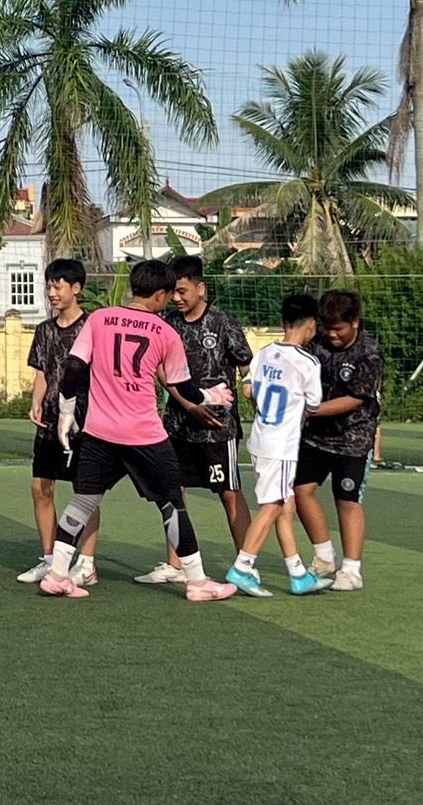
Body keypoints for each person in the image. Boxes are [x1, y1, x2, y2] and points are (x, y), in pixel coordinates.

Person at [36, 259, 235, 602]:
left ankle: (57, 575)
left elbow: (73, 367)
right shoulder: (166, 332)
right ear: (160, 295)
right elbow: (182, 387)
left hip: (99, 432)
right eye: (168, 295)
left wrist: (66, 414)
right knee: (172, 503)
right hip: (145, 434)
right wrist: (211, 395)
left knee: (83, 501)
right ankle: (198, 582)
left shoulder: (99, 319)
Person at [148, 256, 253, 586]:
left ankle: (246, 564)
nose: (176, 298)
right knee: (173, 492)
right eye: (172, 292)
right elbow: (162, 369)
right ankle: (176, 565)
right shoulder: (168, 323)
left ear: (200, 288)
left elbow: (246, 367)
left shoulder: (223, 323)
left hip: (217, 430)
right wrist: (187, 404)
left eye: (182, 291)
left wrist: (251, 391)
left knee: (229, 493)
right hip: (178, 426)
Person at [227, 294, 330, 597]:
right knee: (273, 505)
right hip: (282, 445)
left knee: (286, 504)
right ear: (311, 325)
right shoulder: (308, 363)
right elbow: (313, 404)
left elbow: (249, 388)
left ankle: (297, 573)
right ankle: (243, 567)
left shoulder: (264, 353)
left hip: (261, 438)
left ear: (284, 322)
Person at [293, 290, 382, 591]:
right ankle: (324, 557)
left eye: (338, 328)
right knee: (301, 490)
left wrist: (310, 410)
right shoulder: (315, 343)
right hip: (315, 436)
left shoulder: (368, 353)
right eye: (327, 327)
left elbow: (355, 399)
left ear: (355, 322)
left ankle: (351, 571)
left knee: (347, 499)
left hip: (353, 438)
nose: (331, 334)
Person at [19, 259, 92, 584]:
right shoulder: (44, 330)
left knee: (85, 492)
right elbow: (42, 373)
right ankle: (50, 560)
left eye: (58, 286)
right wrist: (36, 402)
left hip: (83, 424)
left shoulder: (92, 328)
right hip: (49, 423)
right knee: (41, 487)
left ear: (76, 288)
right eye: (49, 286)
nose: (52, 292)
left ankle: (86, 563)